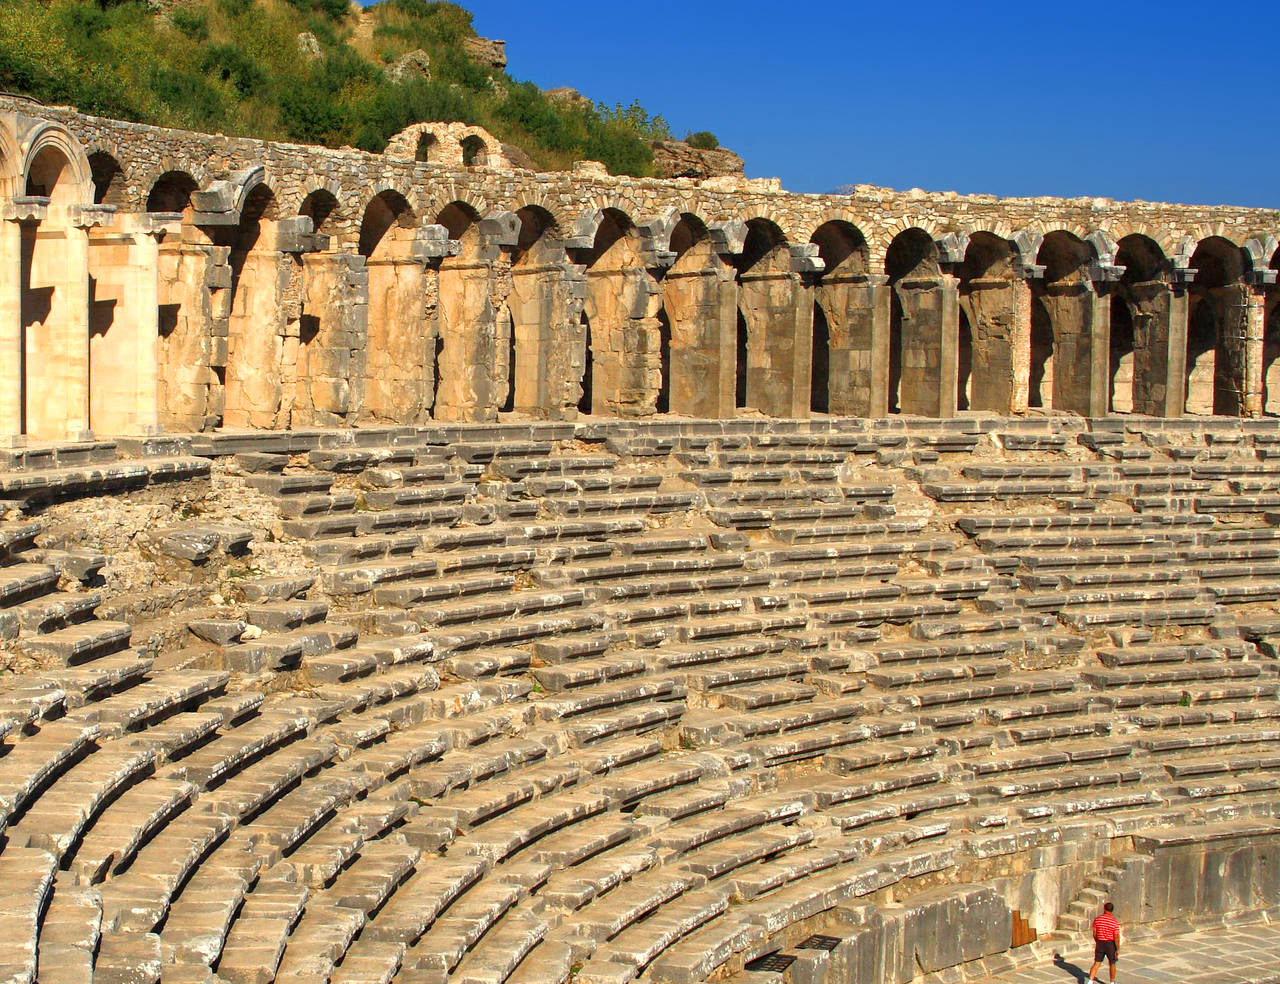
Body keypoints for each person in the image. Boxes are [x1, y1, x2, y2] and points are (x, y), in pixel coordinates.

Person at [1086, 901, 1121, 984]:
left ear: (1104, 909)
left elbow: (1094, 933)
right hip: (1110, 944)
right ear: (1112, 910)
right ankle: (1112, 982)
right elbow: (1116, 937)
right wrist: (1117, 948)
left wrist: (1097, 941)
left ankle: (1090, 981)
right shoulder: (1114, 922)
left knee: (1097, 963)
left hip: (1100, 943)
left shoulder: (1097, 919)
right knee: (1112, 963)